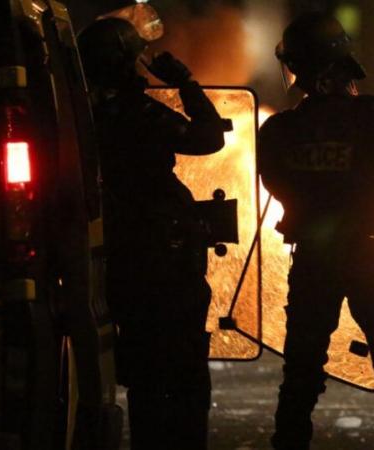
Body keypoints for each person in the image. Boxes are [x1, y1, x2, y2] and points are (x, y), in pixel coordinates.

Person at [259, 12, 374, 450]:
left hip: (315, 261)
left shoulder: (282, 129)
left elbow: (279, 187)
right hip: (373, 258)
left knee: (301, 371)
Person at [78, 18, 225, 450]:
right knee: (185, 373)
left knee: (143, 375)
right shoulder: (140, 113)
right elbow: (209, 137)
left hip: (121, 260)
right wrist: (185, 83)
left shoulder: (84, 119)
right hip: (167, 259)